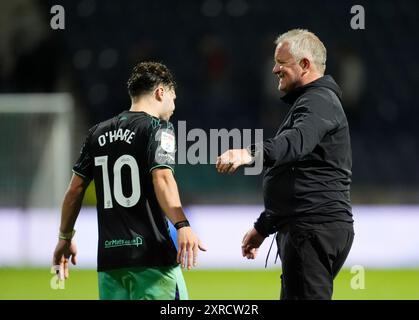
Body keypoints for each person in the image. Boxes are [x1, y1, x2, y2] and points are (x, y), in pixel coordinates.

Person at [216, 29, 354, 300]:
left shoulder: (318, 102)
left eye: (282, 62)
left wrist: (249, 153)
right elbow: (298, 179)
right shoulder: (316, 102)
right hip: (310, 225)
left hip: (312, 229)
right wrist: (263, 227)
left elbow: (296, 140)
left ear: (305, 64)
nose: (274, 68)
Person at [52, 61, 206, 300]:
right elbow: (162, 177)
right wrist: (182, 225)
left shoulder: (96, 133)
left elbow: (74, 191)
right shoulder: (158, 128)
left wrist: (64, 238)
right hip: (152, 260)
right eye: (173, 98)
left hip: (110, 263)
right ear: (160, 92)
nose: (174, 106)